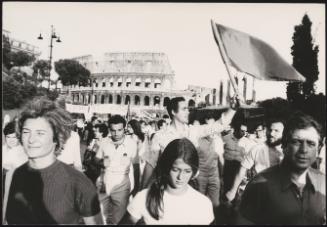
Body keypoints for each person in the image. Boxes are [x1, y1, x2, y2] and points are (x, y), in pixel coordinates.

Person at [3, 97, 102, 224]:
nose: (31, 139)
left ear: (56, 138)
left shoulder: (79, 184)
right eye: (26, 132)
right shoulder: (13, 176)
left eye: (40, 133)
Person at [236, 112, 325, 224]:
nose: (304, 150)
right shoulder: (259, 185)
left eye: (311, 143)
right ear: (284, 145)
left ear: (319, 149)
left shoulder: (323, 182)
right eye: (296, 142)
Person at [141, 95, 240, 188]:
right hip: (167, 186)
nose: (188, 112)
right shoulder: (160, 136)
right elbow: (150, 165)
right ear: (173, 112)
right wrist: (142, 191)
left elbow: (217, 126)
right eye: (184, 109)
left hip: (191, 185)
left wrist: (232, 109)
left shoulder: (193, 131)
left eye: (188, 109)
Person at [122, 138, 214, 224]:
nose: (180, 177)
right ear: (166, 166)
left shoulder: (202, 204)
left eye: (187, 171)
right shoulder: (143, 198)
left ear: (194, 172)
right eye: (175, 170)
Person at [224, 119, 285, 202]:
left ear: (284, 132)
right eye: (270, 130)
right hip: (259, 193)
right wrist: (233, 191)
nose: (271, 133)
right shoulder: (257, 149)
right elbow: (242, 169)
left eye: (276, 131)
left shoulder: (288, 151)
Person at [95, 115, 139, 224]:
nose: (116, 133)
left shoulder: (132, 144)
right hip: (103, 184)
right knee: (100, 217)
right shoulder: (104, 142)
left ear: (124, 128)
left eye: (119, 130)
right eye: (113, 130)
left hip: (121, 185)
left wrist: (137, 187)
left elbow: (136, 167)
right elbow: (95, 160)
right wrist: (101, 162)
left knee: (118, 219)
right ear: (109, 129)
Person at [222, 121, 256, 194]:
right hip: (227, 166)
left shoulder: (247, 142)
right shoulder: (225, 138)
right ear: (236, 130)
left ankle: (234, 203)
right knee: (226, 187)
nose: (244, 133)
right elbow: (220, 152)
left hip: (239, 167)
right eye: (242, 131)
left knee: (236, 188)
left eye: (245, 131)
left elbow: (249, 156)